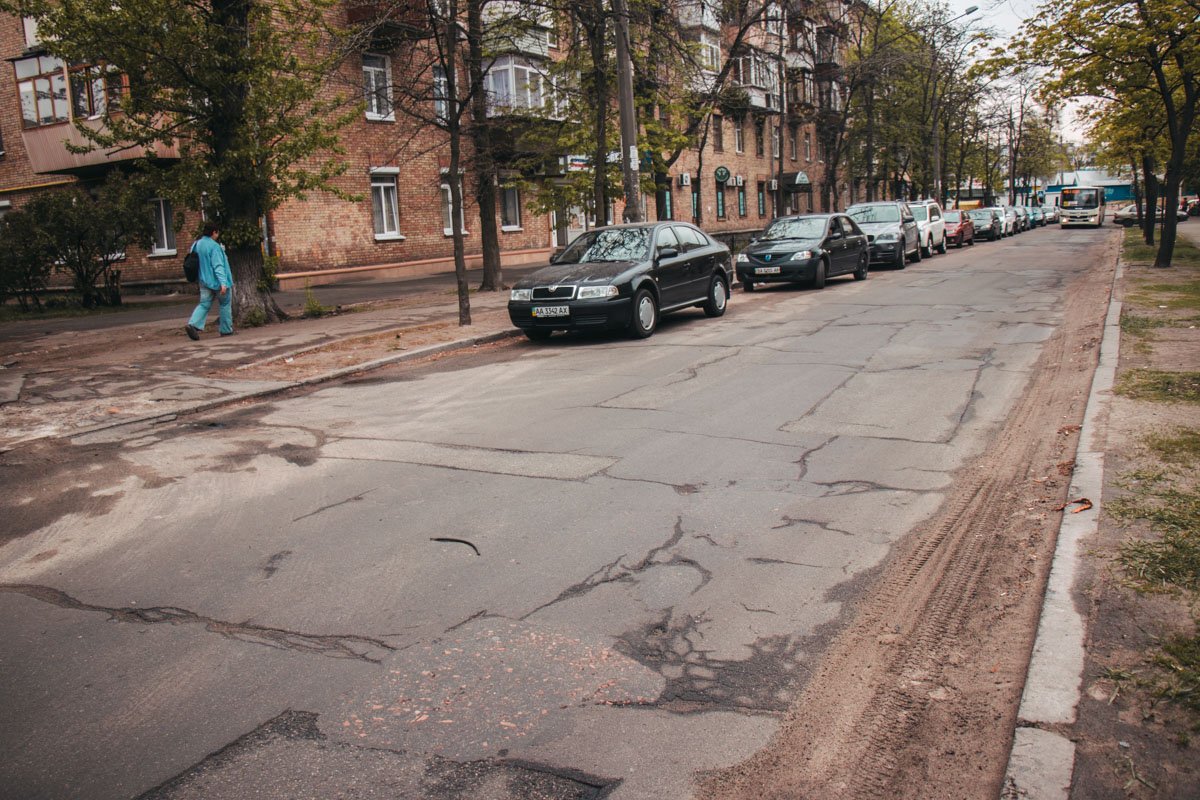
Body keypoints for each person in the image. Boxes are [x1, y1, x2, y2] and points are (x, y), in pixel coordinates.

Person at [184, 222, 233, 339]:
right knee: (225, 304)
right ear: (214, 232)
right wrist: (223, 283)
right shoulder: (214, 247)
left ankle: (193, 324)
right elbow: (218, 266)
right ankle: (226, 330)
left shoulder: (196, 244)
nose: (218, 235)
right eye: (217, 232)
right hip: (217, 282)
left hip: (203, 281)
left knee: (204, 304)